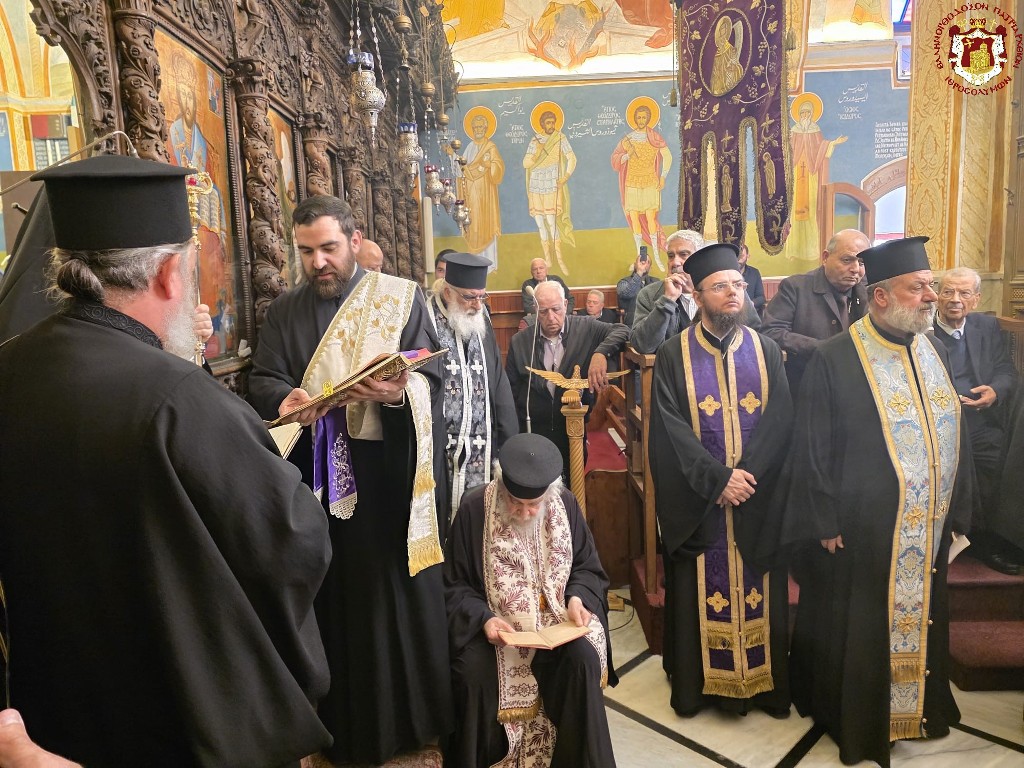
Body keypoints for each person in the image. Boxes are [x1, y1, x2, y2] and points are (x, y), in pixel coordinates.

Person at [0, 155, 331, 766]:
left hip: (49, 707)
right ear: (171, 273)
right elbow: (291, 538)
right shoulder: (179, 396)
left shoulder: (9, 367)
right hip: (172, 709)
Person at [248, 194, 452, 765]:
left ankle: (409, 723)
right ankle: (342, 726)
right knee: (334, 606)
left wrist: (397, 394)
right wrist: (285, 399)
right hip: (316, 483)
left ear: (355, 241)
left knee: (391, 600)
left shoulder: (400, 298)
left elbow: (433, 379)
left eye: (329, 248)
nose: (318, 262)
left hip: (387, 481)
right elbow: (263, 378)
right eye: (306, 251)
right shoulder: (283, 312)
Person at [778, 237, 973, 768]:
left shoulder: (931, 351)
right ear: (881, 296)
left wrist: (957, 507)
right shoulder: (835, 356)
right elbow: (812, 444)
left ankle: (920, 710)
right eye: (919, 288)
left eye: (932, 286)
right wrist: (823, 518)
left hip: (924, 524)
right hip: (861, 530)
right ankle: (862, 721)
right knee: (860, 627)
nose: (931, 297)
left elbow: (951, 432)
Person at [649, 243, 794, 719]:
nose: (733, 293)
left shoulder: (765, 350)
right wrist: (717, 481)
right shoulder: (673, 354)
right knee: (699, 588)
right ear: (697, 294)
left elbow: (780, 422)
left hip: (755, 497)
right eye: (720, 287)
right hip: (701, 502)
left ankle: (764, 687)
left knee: (759, 588)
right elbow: (669, 432)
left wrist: (745, 479)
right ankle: (699, 689)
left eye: (738, 285)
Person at [443, 433, 617, 767]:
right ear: (500, 487)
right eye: (515, 503)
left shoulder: (565, 504)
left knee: (582, 661)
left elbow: (587, 566)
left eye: (533, 505)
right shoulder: (474, 509)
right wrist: (484, 619)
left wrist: (578, 598)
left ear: (549, 494)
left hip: (557, 623)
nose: (524, 513)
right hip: (497, 629)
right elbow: (454, 586)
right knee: (472, 676)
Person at [933, 267, 1020, 574]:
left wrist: (995, 391)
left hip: (979, 420)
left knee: (1001, 462)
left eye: (964, 293)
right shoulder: (921, 330)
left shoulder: (986, 326)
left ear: (976, 298)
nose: (955, 299)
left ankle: (987, 540)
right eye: (948, 292)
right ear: (937, 296)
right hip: (938, 424)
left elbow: (1006, 371)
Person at [426, 251, 518, 518]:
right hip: (440, 448)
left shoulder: (481, 318)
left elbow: (497, 378)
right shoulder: (425, 320)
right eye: (470, 297)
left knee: (480, 518)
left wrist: (509, 440)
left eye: (482, 297)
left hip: (483, 445)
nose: (478, 305)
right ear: (447, 292)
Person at [505, 281, 628, 476]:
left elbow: (623, 330)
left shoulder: (585, 327)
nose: (551, 317)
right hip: (533, 431)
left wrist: (600, 353)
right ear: (535, 309)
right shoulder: (520, 342)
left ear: (565, 304)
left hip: (573, 430)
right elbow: (510, 393)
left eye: (556, 309)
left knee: (571, 484)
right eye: (543, 311)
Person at [761, 228, 870, 396]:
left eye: (861, 263)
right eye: (847, 260)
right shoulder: (796, 287)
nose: (855, 269)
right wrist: (822, 348)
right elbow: (771, 331)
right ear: (825, 258)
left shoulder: (869, 291)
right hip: (808, 386)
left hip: (854, 387)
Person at [611, 103, 672, 270]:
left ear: (649, 119)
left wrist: (663, 176)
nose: (641, 120)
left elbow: (667, 156)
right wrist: (627, 155)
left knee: (651, 218)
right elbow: (615, 159)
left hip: (650, 181)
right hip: (632, 182)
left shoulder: (655, 137)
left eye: (644, 117)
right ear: (634, 119)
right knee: (635, 218)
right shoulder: (628, 139)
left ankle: (657, 257)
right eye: (638, 117)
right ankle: (640, 258)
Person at [787, 94, 847, 261]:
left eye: (808, 113)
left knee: (811, 211)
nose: (805, 116)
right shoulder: (794, 131)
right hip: (796, 176)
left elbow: (821, 149)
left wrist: (832, 143)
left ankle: (811, 252)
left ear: (812, 114)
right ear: (799, 114)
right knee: (794, 212)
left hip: (811, 176)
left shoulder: (815, 131)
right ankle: (793, 251)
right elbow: (787, 152)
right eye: (803, 113)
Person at [630, 230, 704, 354]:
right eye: (671, 256)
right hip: (671, 365)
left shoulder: (716, 291)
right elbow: (642, 345)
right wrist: (668, 300)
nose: (675, 262)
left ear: (700, 258)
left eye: (683, 254)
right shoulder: (649, 294)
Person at [524, 109, 576, 274]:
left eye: (553, 122)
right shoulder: (535, 140)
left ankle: (560, 259)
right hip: (536, 183)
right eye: (548, 122)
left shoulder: (560, 138)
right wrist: (538, 151)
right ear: (542, 124)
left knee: (551, 221)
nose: (551, 125)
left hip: (551, 182)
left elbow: (572, 158)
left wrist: (565, 177)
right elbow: (526, 163)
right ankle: (547, 260)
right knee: (540, 222)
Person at [462, 111, 504, 267]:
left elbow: (498, 167)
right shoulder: (470, 147)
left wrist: (490, 165)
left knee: (487, 223)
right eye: (475, 127)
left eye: (481, 127)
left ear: (486, 129)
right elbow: (463, 168)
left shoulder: (490, 147)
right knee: (473, 223)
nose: (478, 130)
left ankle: (490, 263)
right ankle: (475, 262)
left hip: (486, 193)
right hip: (472, 192)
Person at [615, 251, 657, 326]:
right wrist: (639, 273)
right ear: (635, 265)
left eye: (647, 262)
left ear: (650, 267)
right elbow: (627, 294)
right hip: (633, 322)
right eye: (641, 261)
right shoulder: (624, 282)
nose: (643, 263)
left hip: (652, 322)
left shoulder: (656, 282)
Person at [738, 243, 766, 316]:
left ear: (748, 256)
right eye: (737, 255)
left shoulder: (754, 273)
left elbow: (761, 298)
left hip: (751, 314)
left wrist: (750, 304)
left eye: (742, 256)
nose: (739, 260)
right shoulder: (727, 274)